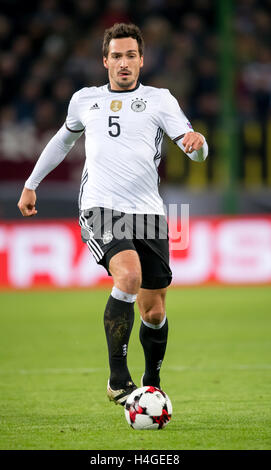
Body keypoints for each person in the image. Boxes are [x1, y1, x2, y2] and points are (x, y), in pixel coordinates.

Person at [18, 23, 208, 406]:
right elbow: (62, 141)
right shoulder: (84, 100)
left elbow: (192, 149)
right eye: (117, 56)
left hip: (149, 213)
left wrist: (200, 146)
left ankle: (151, 378)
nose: (124, 63)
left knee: (153, 311)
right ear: (105, 60)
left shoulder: (160, 100)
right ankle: (118, 380)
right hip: (100, 206)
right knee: (129, 275)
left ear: (142, 60)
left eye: (131, 56)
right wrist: (31, 182)